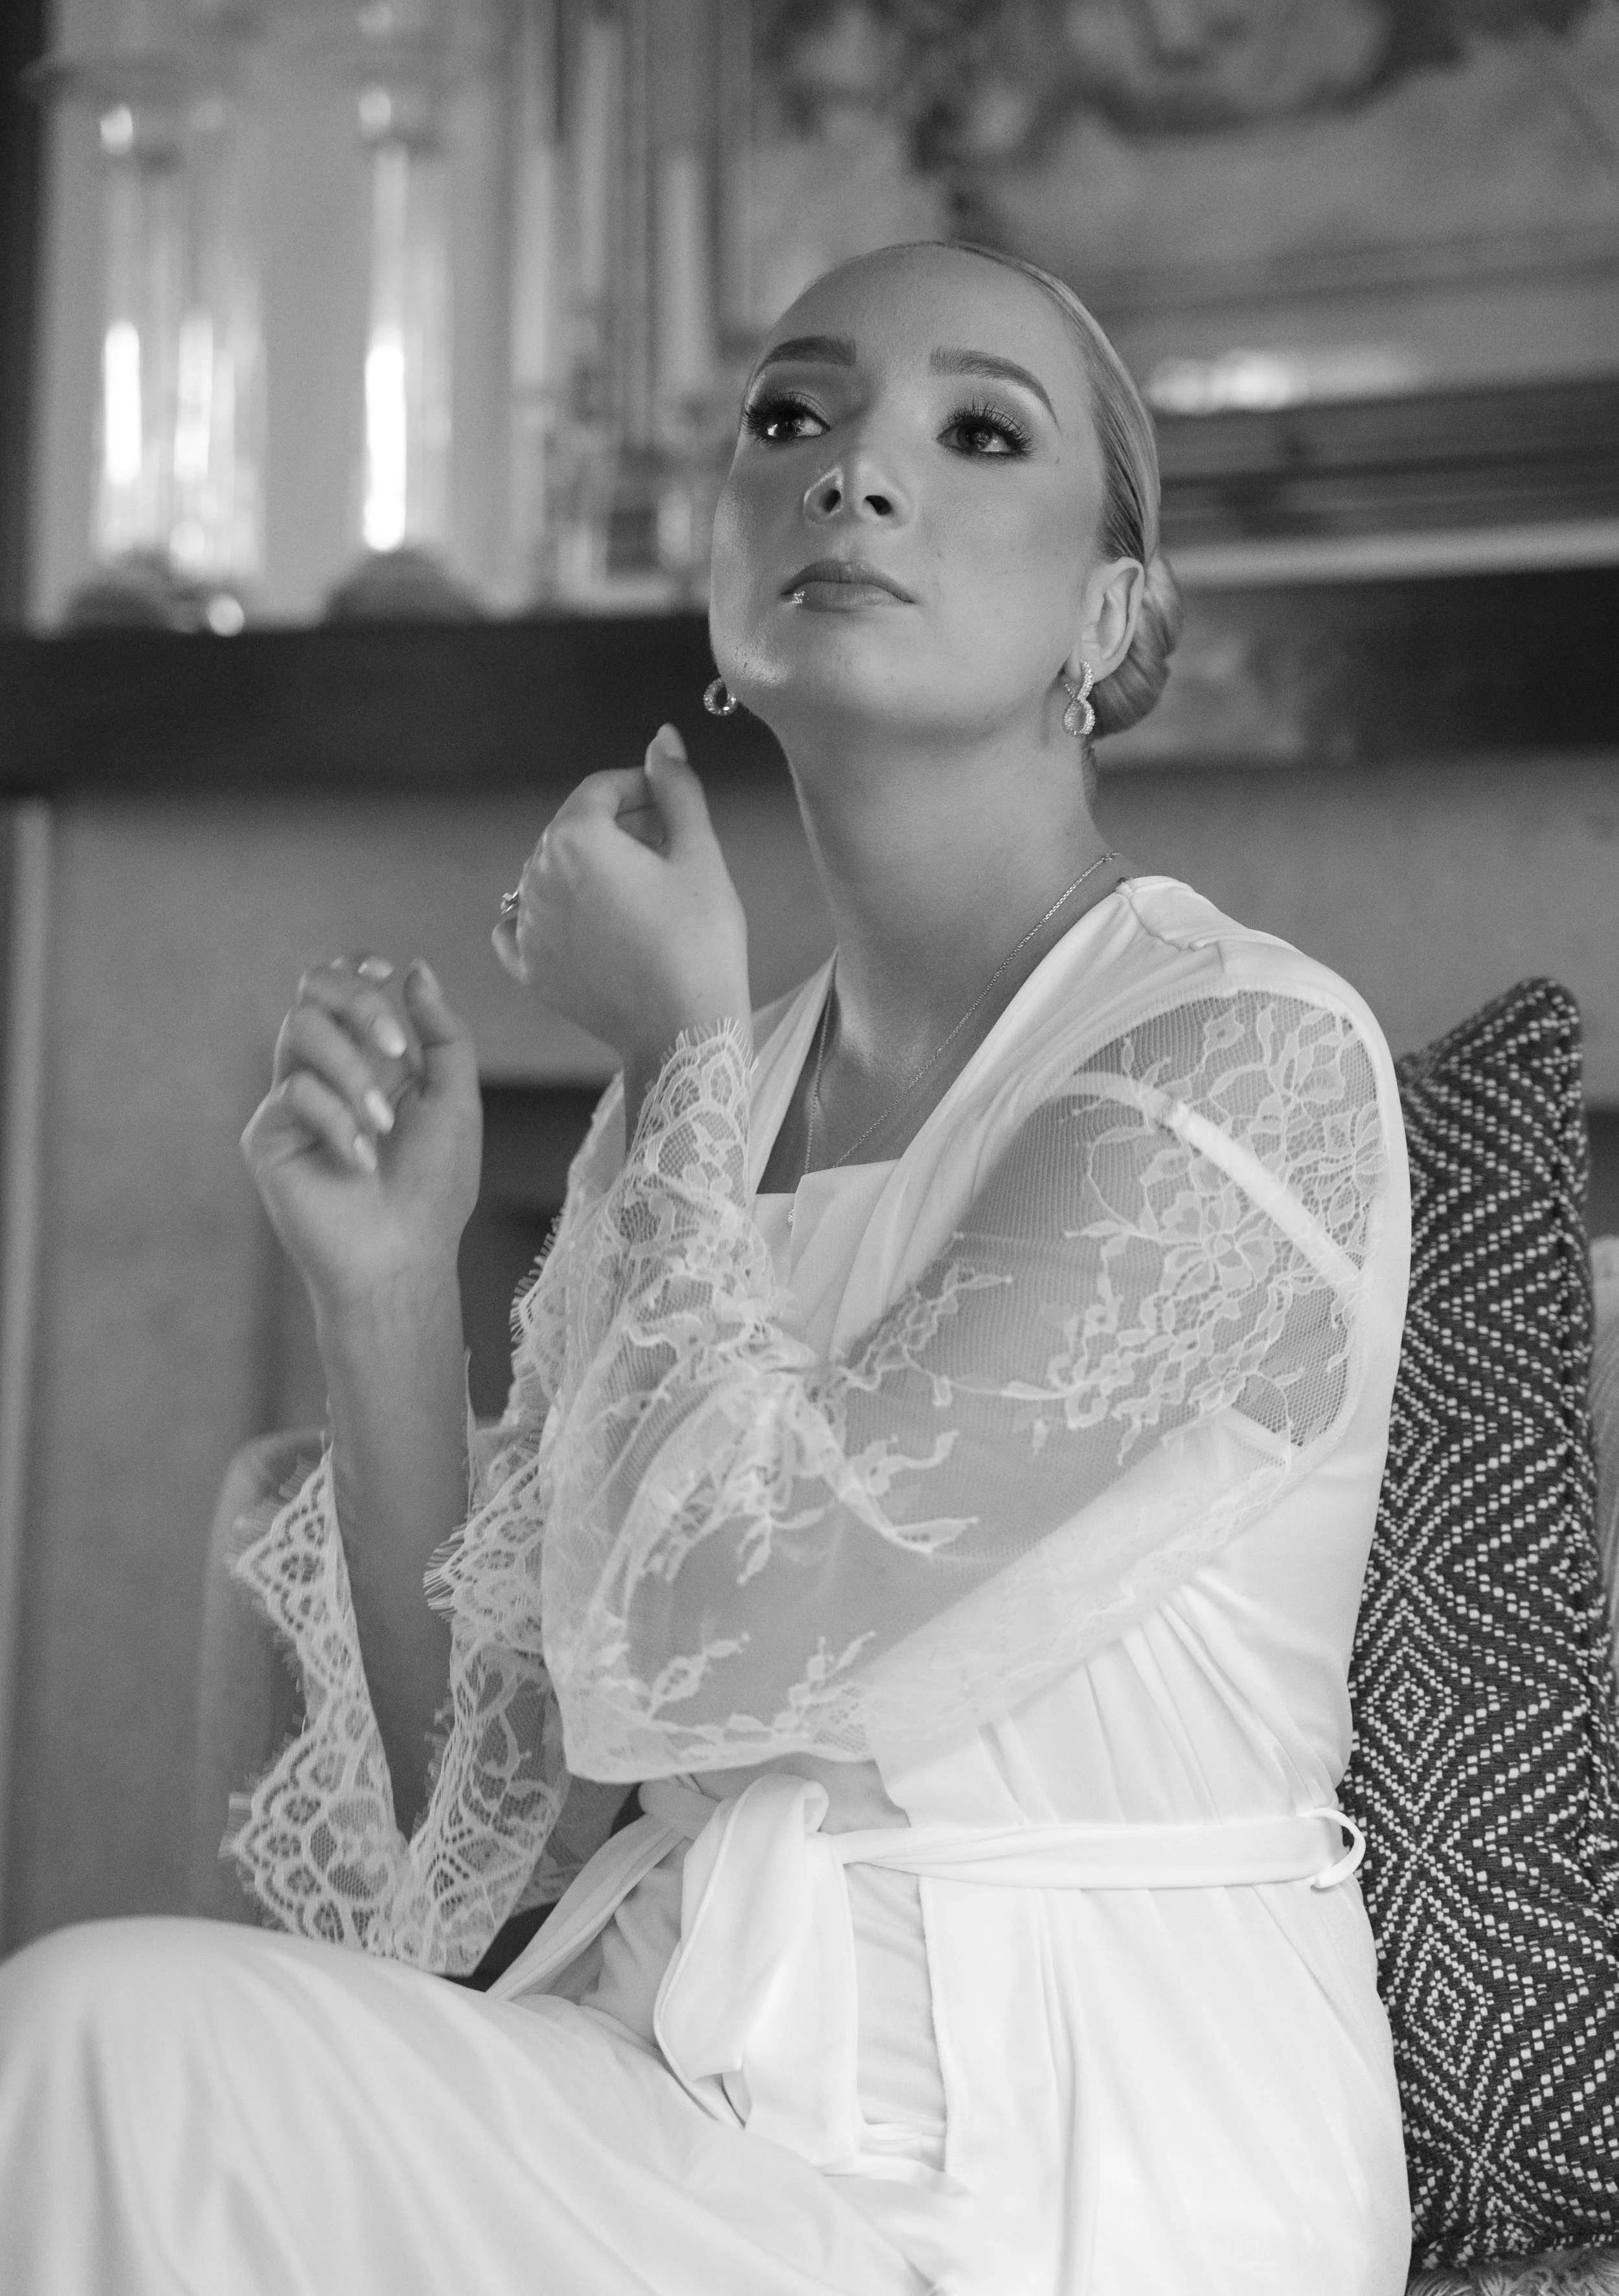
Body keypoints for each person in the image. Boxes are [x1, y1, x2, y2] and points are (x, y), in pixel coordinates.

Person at [0, 240, 1414, 2295]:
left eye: (977, 432)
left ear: (1106, 618)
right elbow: (498, 1809)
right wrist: (388, 1289)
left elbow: (725, 1633)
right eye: (789, 416)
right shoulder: (716, 1101)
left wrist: (662, 1051)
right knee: (99, 2042)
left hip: (1083, 2153)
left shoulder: (1244, 1058)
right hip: (665, 2090)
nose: (854, 469)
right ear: (726, 581)